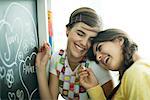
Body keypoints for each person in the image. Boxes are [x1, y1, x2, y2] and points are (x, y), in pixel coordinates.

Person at [36, 7, 114, 100]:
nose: (84, 43)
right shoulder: (57, 59)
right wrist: (40, 68)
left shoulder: (97, 66)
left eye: (91, 39)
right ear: (68, 30)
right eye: (80, 34)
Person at [79, 28, 150, 100]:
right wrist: (93, 87)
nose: (98, 57)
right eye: (96, 59)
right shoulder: (130, 77)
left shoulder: (136, 73)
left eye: (100, 48)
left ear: (119, 40)